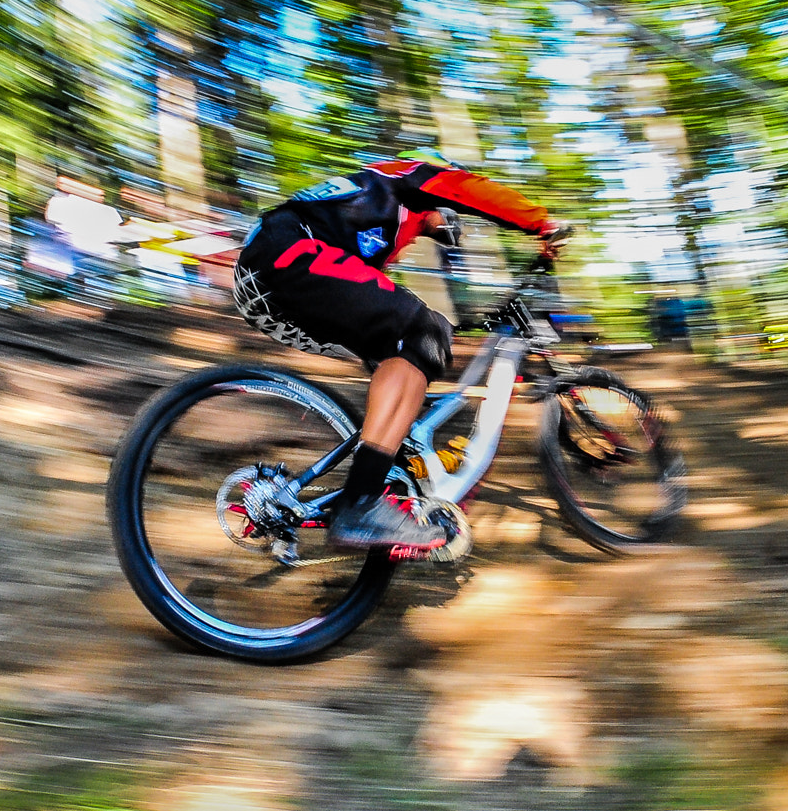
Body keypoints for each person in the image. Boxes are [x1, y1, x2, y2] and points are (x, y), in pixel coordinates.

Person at [233, 150, 567, 553]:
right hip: (286, 255)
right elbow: (467, 190)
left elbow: (363, 297)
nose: (447, 224)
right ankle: (361, 501)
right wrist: (540, 223)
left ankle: (389, 473)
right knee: (422, 330)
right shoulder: (403, 177)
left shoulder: (372, 222)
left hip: (266, 282)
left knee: (408, 349)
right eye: (445, 217)